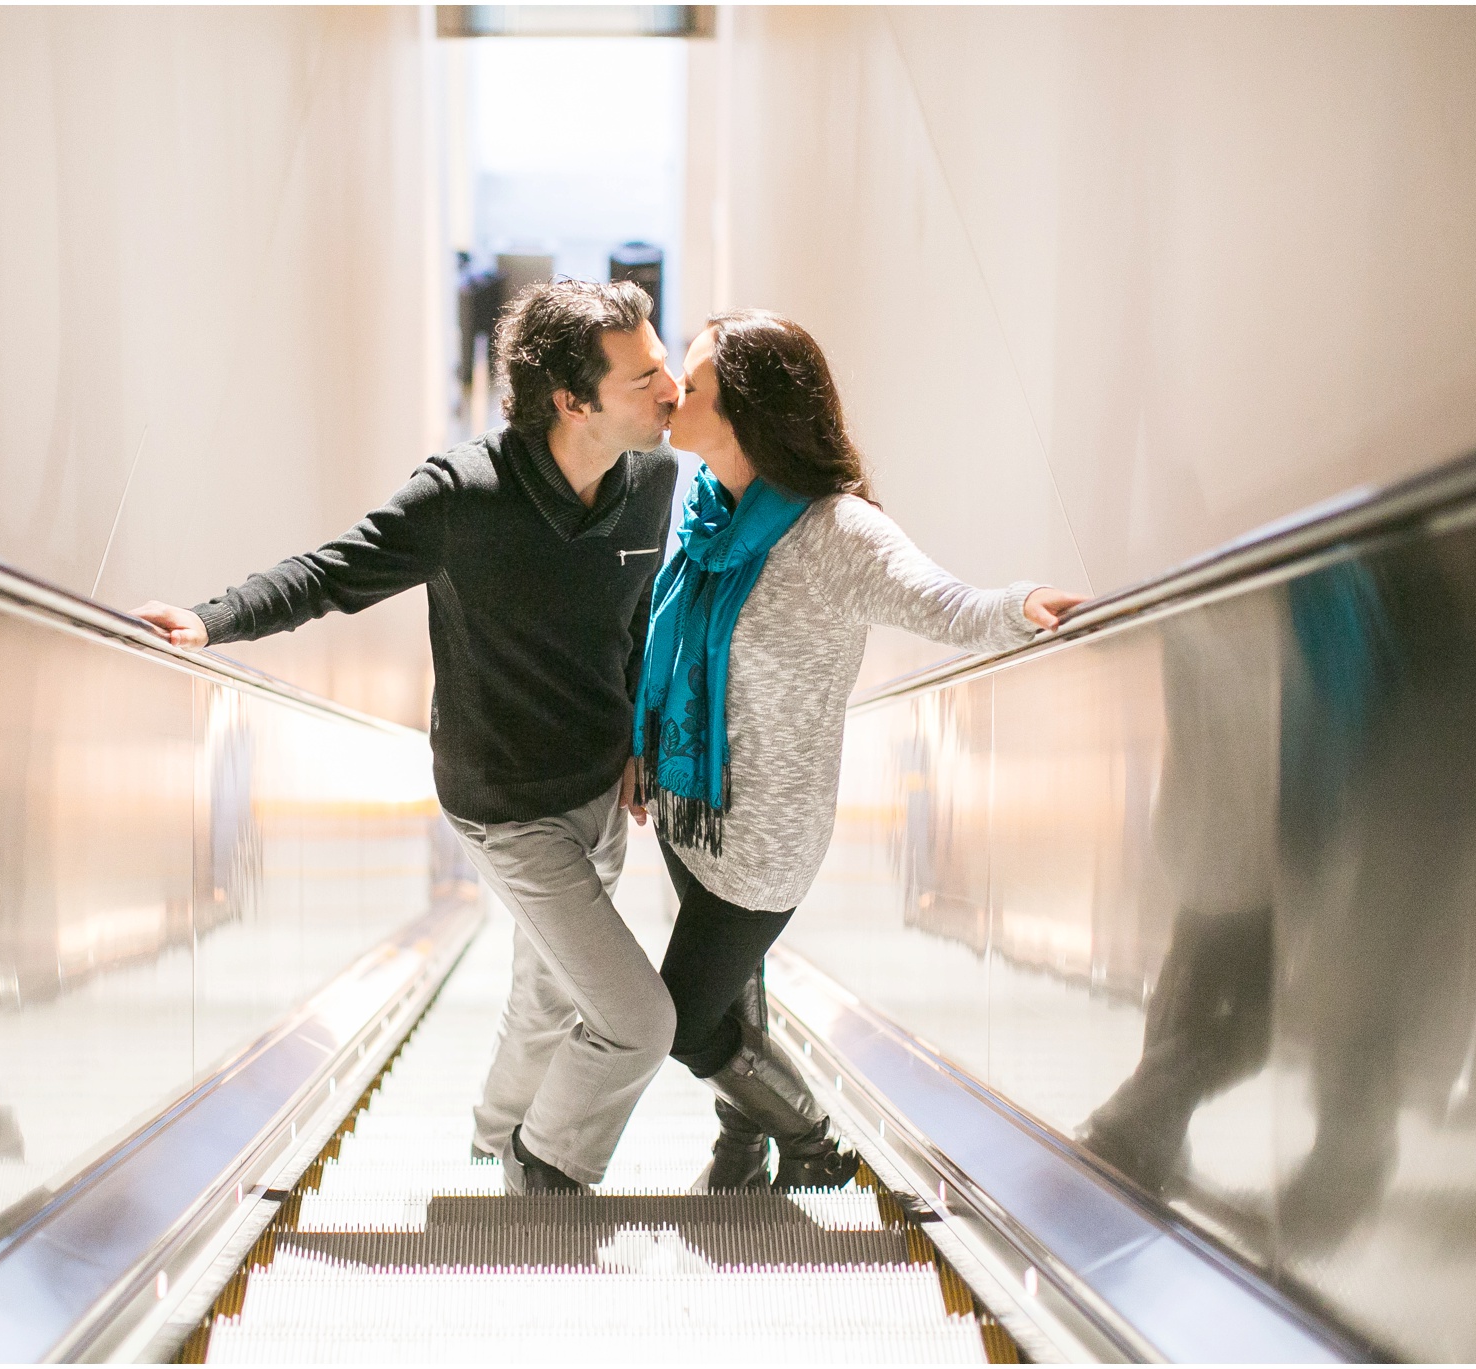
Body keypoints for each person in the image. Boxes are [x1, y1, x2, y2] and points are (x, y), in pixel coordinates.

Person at [134, 280, 683, 1195]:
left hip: (597, 795)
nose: (672, 392)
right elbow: (331, 571)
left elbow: (628, 625)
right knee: (637, 1019)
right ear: (571, 401)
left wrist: (636, 735)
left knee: (549, 992)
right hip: (506, 805)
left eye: (664, 368)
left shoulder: (653, 483)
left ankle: (492, 1131)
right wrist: (209, 619)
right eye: (646, 378)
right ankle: (546, 1173)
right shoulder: (463, 496)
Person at [638, 310, 1085, 1190]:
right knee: (734, 992)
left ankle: (806, 1136)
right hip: (690, 814)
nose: (673, 398)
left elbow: (944, 602)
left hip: (765, 835)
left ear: (745, 414)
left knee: (683, 1021)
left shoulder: (837, 533)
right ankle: (740, 1146)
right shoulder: (703, 516)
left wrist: (1018, 603)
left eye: (694, 387)